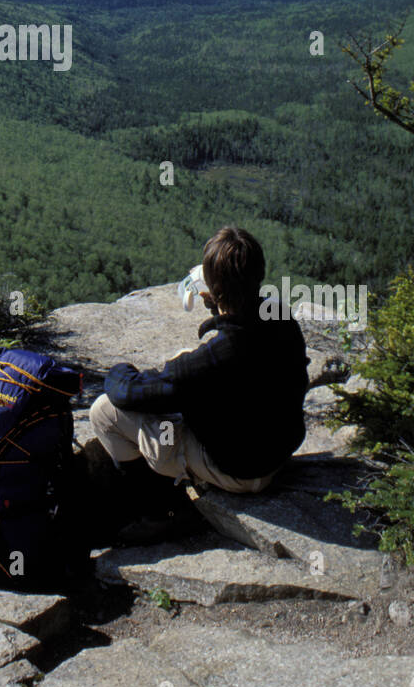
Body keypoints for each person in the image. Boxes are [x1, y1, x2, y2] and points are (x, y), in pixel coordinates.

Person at [89, 225, 309, 534]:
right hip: (275, 453)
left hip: (239, 472)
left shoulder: (215, 356)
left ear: (212, 292)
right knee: (184, 369)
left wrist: (119, 369)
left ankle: (163, 512)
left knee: (103, 411)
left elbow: (126, 393)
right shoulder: (280, 318)